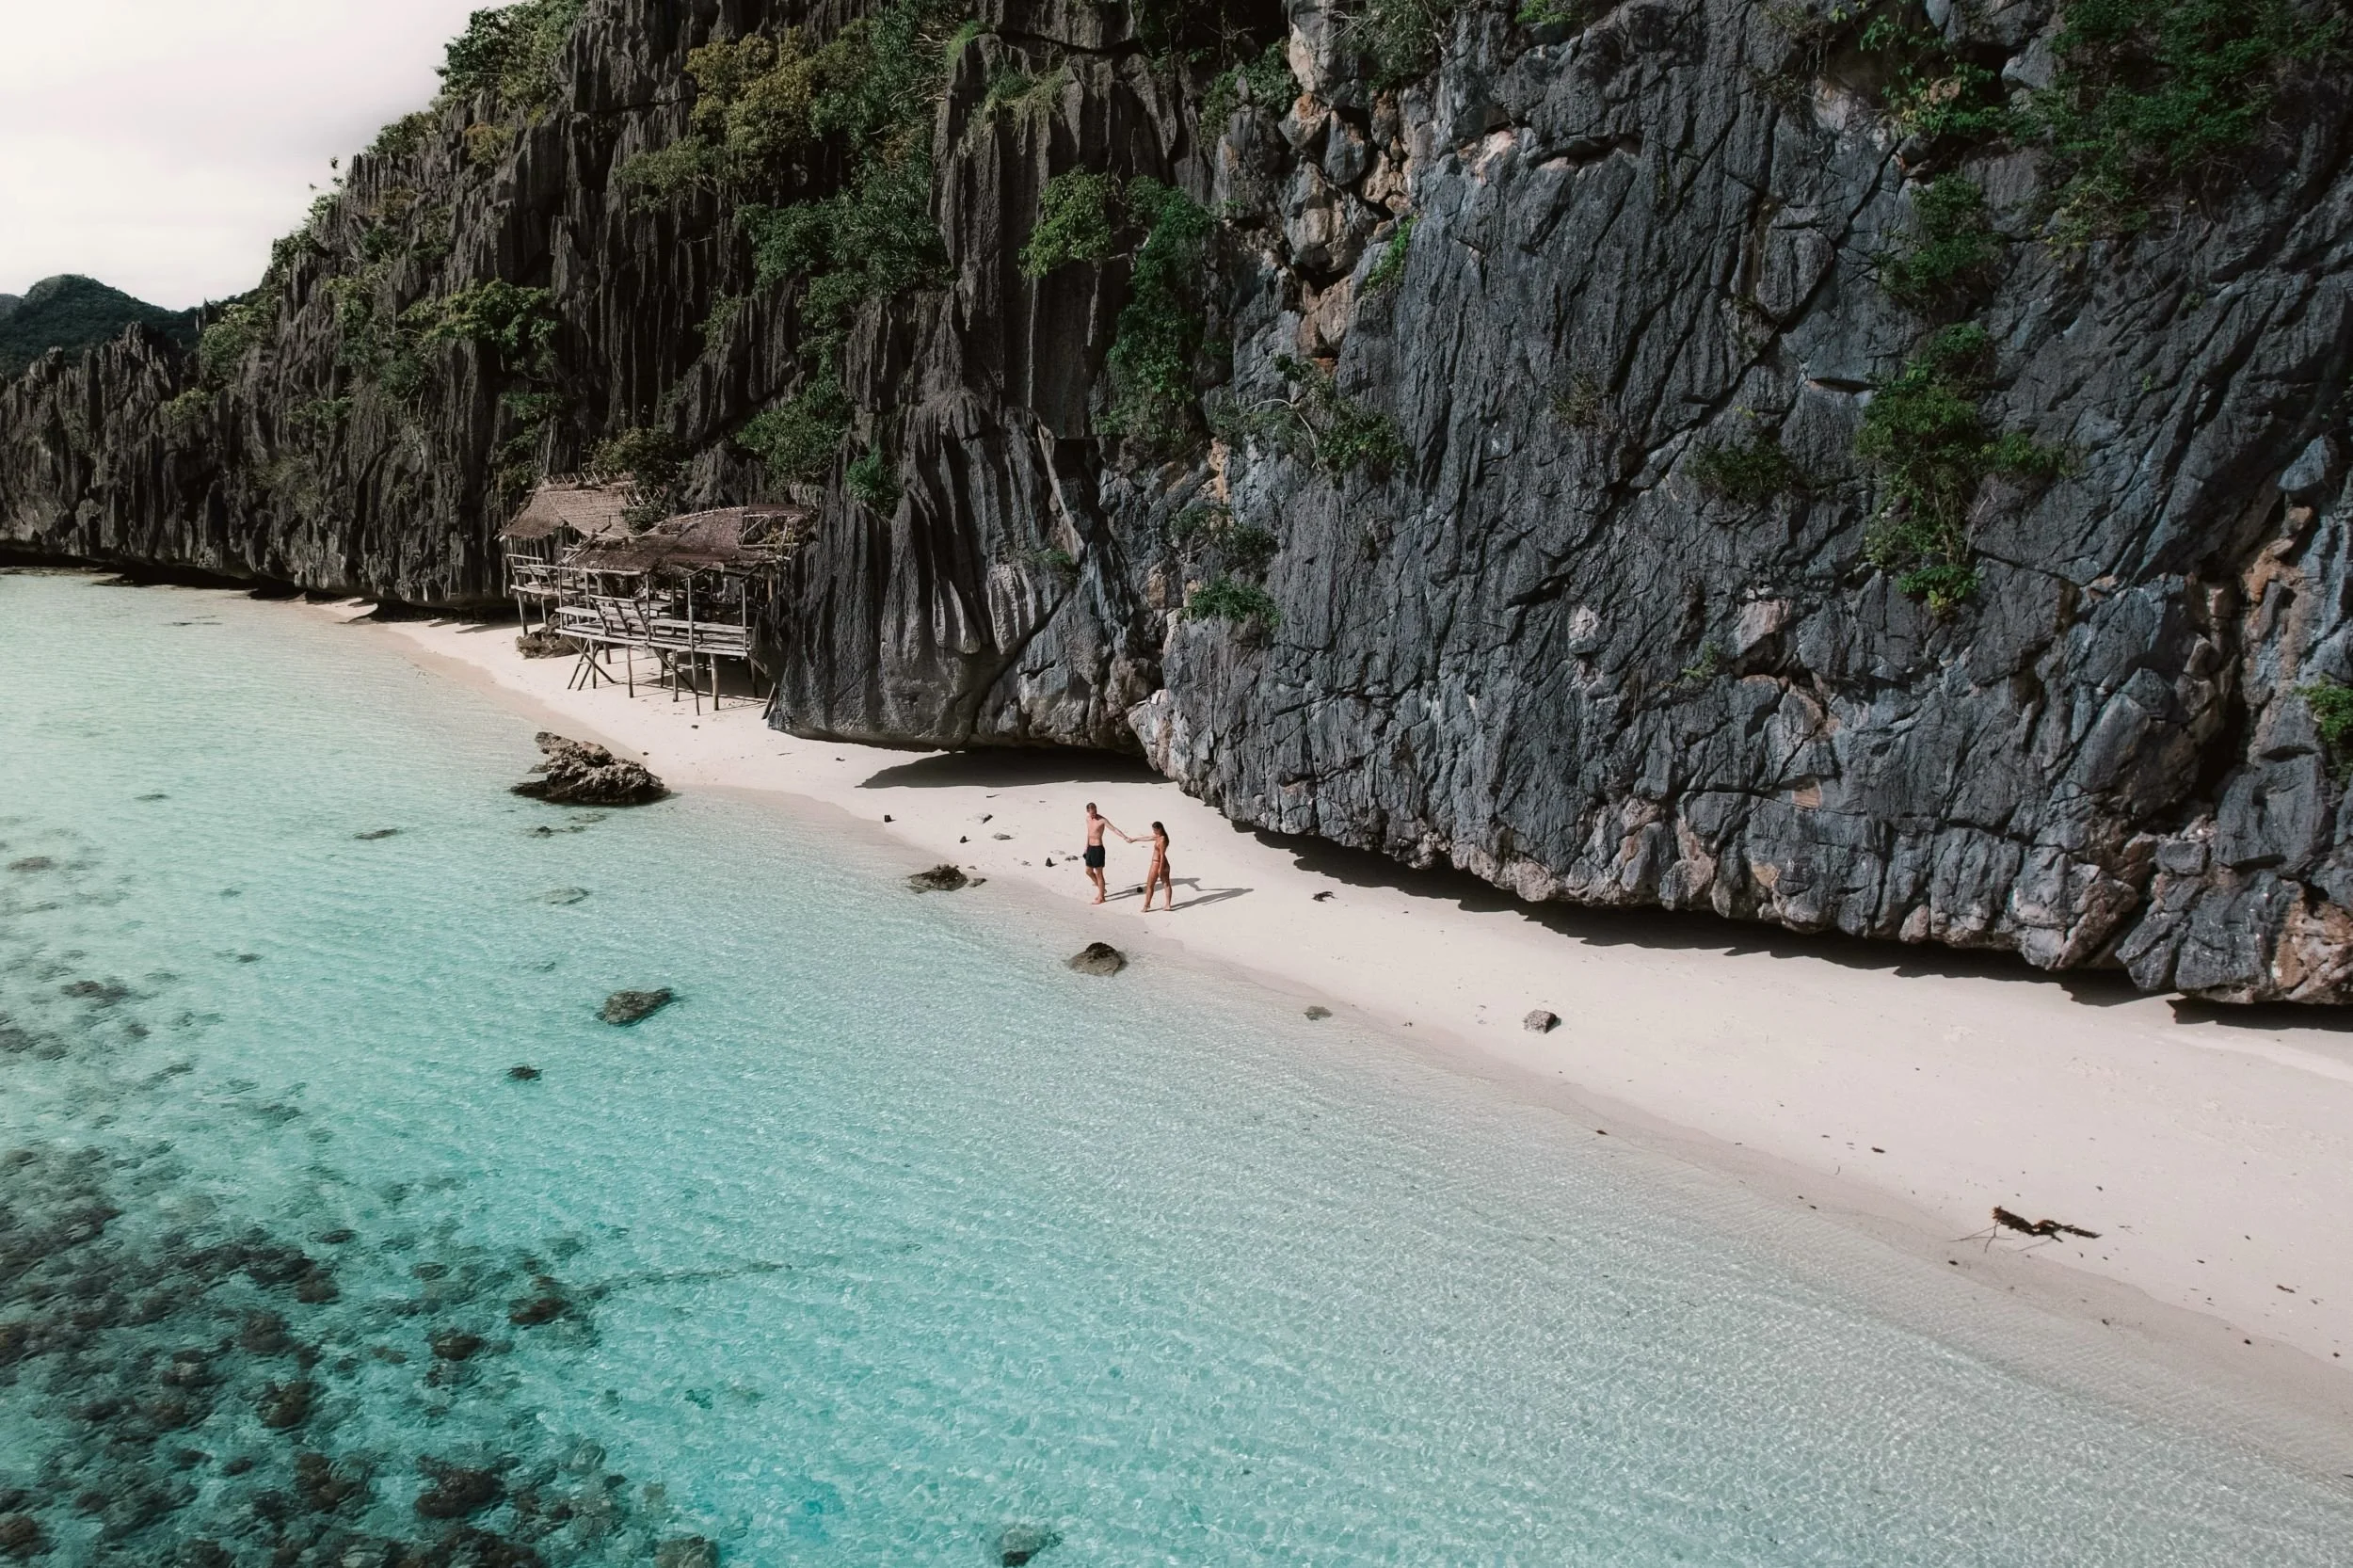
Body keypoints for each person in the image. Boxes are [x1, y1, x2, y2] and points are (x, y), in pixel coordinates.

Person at [1081, 802, 1128, 904]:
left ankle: (1102, 897)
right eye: (1092, 813)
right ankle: (1101, 888)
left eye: (1096, 811)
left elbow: (1114, 829)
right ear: (1088, 812)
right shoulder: (1088, 819)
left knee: (1099, 873)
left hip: (1098, 849)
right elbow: (1089, 834)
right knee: (1088, 871)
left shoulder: (1102, 820)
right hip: (1090, 848)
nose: (1095, 814)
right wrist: (1086, 847)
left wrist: (1124, 837)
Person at [1138, 821, 1174, 913]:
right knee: (1166, 884)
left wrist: (1160, 869)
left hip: (1158, 863)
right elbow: (1147, 837)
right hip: (1164, 863)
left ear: (1160, 829)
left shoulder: (1162, 840)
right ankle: (1168, 905)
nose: (1154, 832)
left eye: (1155, 830)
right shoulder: (1159, 837)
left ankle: (1146, 905)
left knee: (1150, 885)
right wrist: (1134, 839)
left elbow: (1161, 855)